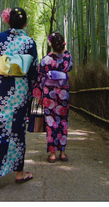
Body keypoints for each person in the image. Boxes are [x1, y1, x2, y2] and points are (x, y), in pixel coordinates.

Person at [0, 7, 38, 194]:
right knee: (17, 131)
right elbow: (33, 72)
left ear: (7, 21)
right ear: (25, 23)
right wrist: (29, 92)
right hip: (20, 91)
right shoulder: (29, 42)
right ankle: (19, 173)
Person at [33, 32, 73, 163]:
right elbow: (70, 67)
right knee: (63, 121)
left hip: (49, 92)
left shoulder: (46, 59)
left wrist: (39, 95)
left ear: (50, 45)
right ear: (63, 44)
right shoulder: (67, 58)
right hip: (63, 92)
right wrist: (64, 51)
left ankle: (52, 155)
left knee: (50, 122)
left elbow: (40, 77)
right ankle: (63, 152)